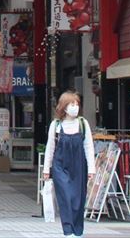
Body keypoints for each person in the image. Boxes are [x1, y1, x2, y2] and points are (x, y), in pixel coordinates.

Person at [44, 90, 96, 236]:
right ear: (64, 106)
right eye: (71, 104)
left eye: (77, 104)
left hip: (79, 165)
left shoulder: (82, 123)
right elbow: (50, 147)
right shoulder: (56, 125)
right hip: (60, 165)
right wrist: (46, 169)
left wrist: (91, 168)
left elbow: (88, 146)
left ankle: (78, 230)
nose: (75, 107)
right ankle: (68, 230)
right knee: (65, 197)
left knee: (78, 199)